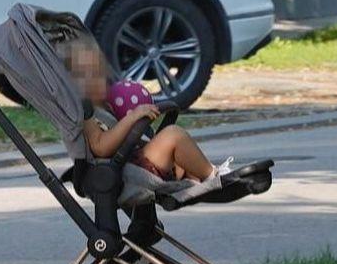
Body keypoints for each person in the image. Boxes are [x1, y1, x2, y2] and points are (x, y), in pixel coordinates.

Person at [62, 37, 233, 182]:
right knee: (172, 134)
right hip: (125, 169)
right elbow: (100, 147)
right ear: (69, 83)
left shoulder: (105, 105)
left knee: (180, 153)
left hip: (134, 158)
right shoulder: (85, 112)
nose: (93, 79)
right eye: (83, 75)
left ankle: (199, 178)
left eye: (96, 72)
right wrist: (133, 117)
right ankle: (215, 177)